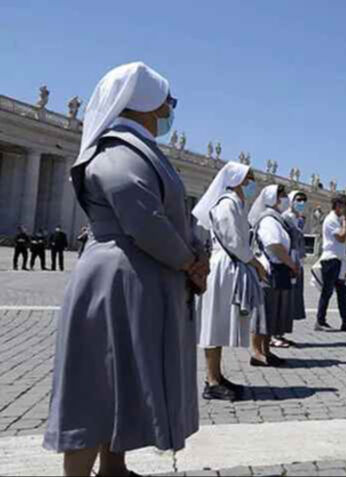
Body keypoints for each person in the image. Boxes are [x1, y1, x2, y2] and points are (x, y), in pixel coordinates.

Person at [43, 62, 208, 477]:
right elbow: (144, 220)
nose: (170, 110)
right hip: (115, 282)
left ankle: (114, 468)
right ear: (147, 104)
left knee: (118, 381)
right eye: (168, 102)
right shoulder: (117, 151)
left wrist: (194, 249)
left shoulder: (134, 147)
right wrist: (188, 261)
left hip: (132, 278)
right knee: (95, 387)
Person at [194, 162, 268, 400]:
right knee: (214, 325)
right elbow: (235, 242)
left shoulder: (235, 204)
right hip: (224, 268)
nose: (252, 185)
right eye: (249, 179)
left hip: (230, 268)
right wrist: (256, 263)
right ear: (237, 180)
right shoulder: (227, 204)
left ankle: (216, 376)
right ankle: (211, 381)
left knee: (220, 325)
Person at [249, 184, 296, 364]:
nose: (285, 199)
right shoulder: (268, 219)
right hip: (269, 270)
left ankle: (266, 350)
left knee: (272, 314)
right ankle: (256, 352)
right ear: (273, 199)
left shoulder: (277, 219)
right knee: (262, 312)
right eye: (282, 195)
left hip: (279, 270)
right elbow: (274, 245)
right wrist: (290, 263)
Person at [316, 195, 346, 332]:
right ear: (338, 206)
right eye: (344, 207)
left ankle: (345, 321)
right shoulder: (331, 220)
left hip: (338, 260)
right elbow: (342, 238)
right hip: (330, 260)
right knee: (327, 291)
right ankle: (320, 320)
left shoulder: (336, 219)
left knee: (342, 291)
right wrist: (344, 222)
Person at [278, 190, 309, 347]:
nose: (302, 202)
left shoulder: (297, 219)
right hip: (289, 261)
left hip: (297, 261)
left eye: (304, 200)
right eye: (299, 199)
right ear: (291, 201)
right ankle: (275, 335)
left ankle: (281, 333)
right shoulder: (287, 218)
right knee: (283, 299)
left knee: (290, 300)